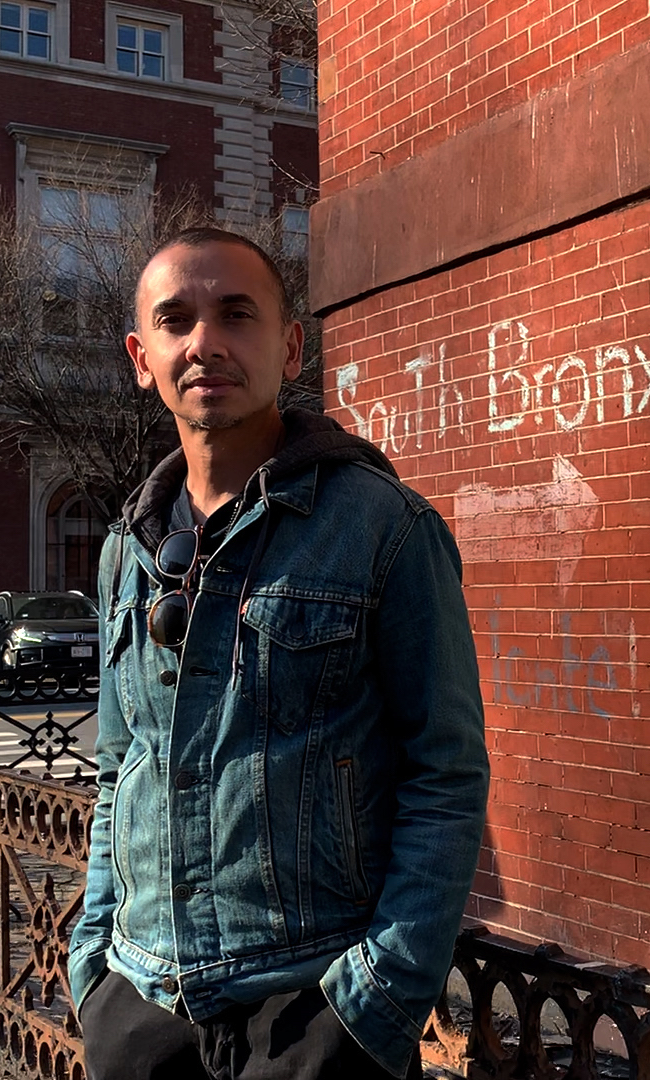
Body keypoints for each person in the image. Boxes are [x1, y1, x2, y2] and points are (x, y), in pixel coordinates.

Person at [67, 227, 490, 1080]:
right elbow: (121, 767)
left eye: (236, 314)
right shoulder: (127, 551)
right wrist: (94, 968)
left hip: (309, 1012)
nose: (204, 343)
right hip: (143, 1004)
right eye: (175, 319)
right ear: (140, 357)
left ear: (290, 345)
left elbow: (444, 775)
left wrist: (374, 1001)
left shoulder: (384, 529)